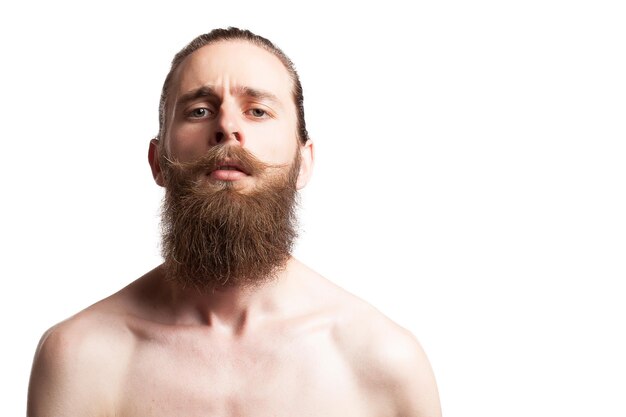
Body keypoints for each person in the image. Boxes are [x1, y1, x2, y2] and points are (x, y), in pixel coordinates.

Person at [27, 27, 442, 416]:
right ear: (159, 163)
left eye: (258, 111)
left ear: (303, 163)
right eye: (200, 110)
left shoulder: (383, 361)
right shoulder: (80, 357)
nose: (227, 127)